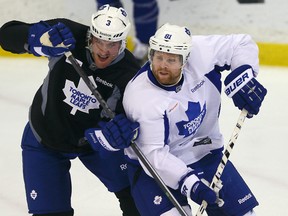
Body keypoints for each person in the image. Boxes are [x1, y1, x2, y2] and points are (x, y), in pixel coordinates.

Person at [92, 23, 267, 215]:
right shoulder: (141, 96)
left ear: (185, 60)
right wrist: (192, 185)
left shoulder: (200, 53)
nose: (163, 66)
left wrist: (244, 78)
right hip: (152, 171)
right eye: (158, 57)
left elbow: (241, 43)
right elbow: (154, 155)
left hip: (205, 153)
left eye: (171, 60)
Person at [0, 4, 141, 216]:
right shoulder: (67, 35)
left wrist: (125, 132)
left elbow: (141, 122)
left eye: (112, 44)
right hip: (45, 137)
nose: (103, 50)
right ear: (90, 36)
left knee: (138, 199)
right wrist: (37, 39)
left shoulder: (130, 75)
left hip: (95, 143)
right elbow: (6, 35)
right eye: (99, 41)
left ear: (122, 43)